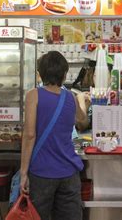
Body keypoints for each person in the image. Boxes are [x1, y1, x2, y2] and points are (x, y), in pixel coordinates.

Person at [20, 51, 87, 220]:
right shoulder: (70, 97)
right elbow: (82, 120)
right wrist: (82, 101)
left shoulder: (33, 95)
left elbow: (29, 135)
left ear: (40, 73)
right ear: (64, 75)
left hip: (42, 173)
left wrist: (23, 173)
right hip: (69, 172)